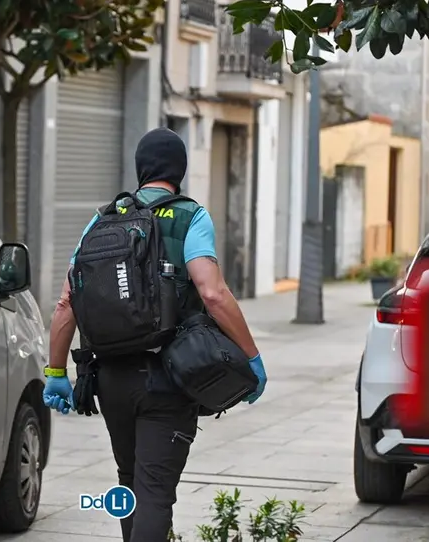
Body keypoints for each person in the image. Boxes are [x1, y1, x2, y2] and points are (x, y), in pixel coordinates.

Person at [43, 127, 267, 542]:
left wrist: (55, 369)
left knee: (130, 483)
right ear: (179, 170)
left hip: (110, 379)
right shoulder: (190, 215)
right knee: (155, 493)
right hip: (168, 377)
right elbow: (213, 292)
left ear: (140, 168)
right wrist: (250, 356)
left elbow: (66, 302)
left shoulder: (104, 218)